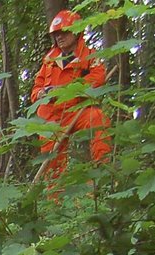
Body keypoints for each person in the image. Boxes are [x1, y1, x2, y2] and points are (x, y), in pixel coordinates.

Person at [32, 9, 112, 180]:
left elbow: (99, 78)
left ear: (76, 33)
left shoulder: (90, 56)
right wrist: (43, 93)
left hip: (77, 109)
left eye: (64, 32)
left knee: (98, 119)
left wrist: (71, 90)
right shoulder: (48, 61)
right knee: (52, 161)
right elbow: (35, 90)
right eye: (56, 34)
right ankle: (55, 200)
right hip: (52, 116)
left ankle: (102, 176)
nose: (59, 37)